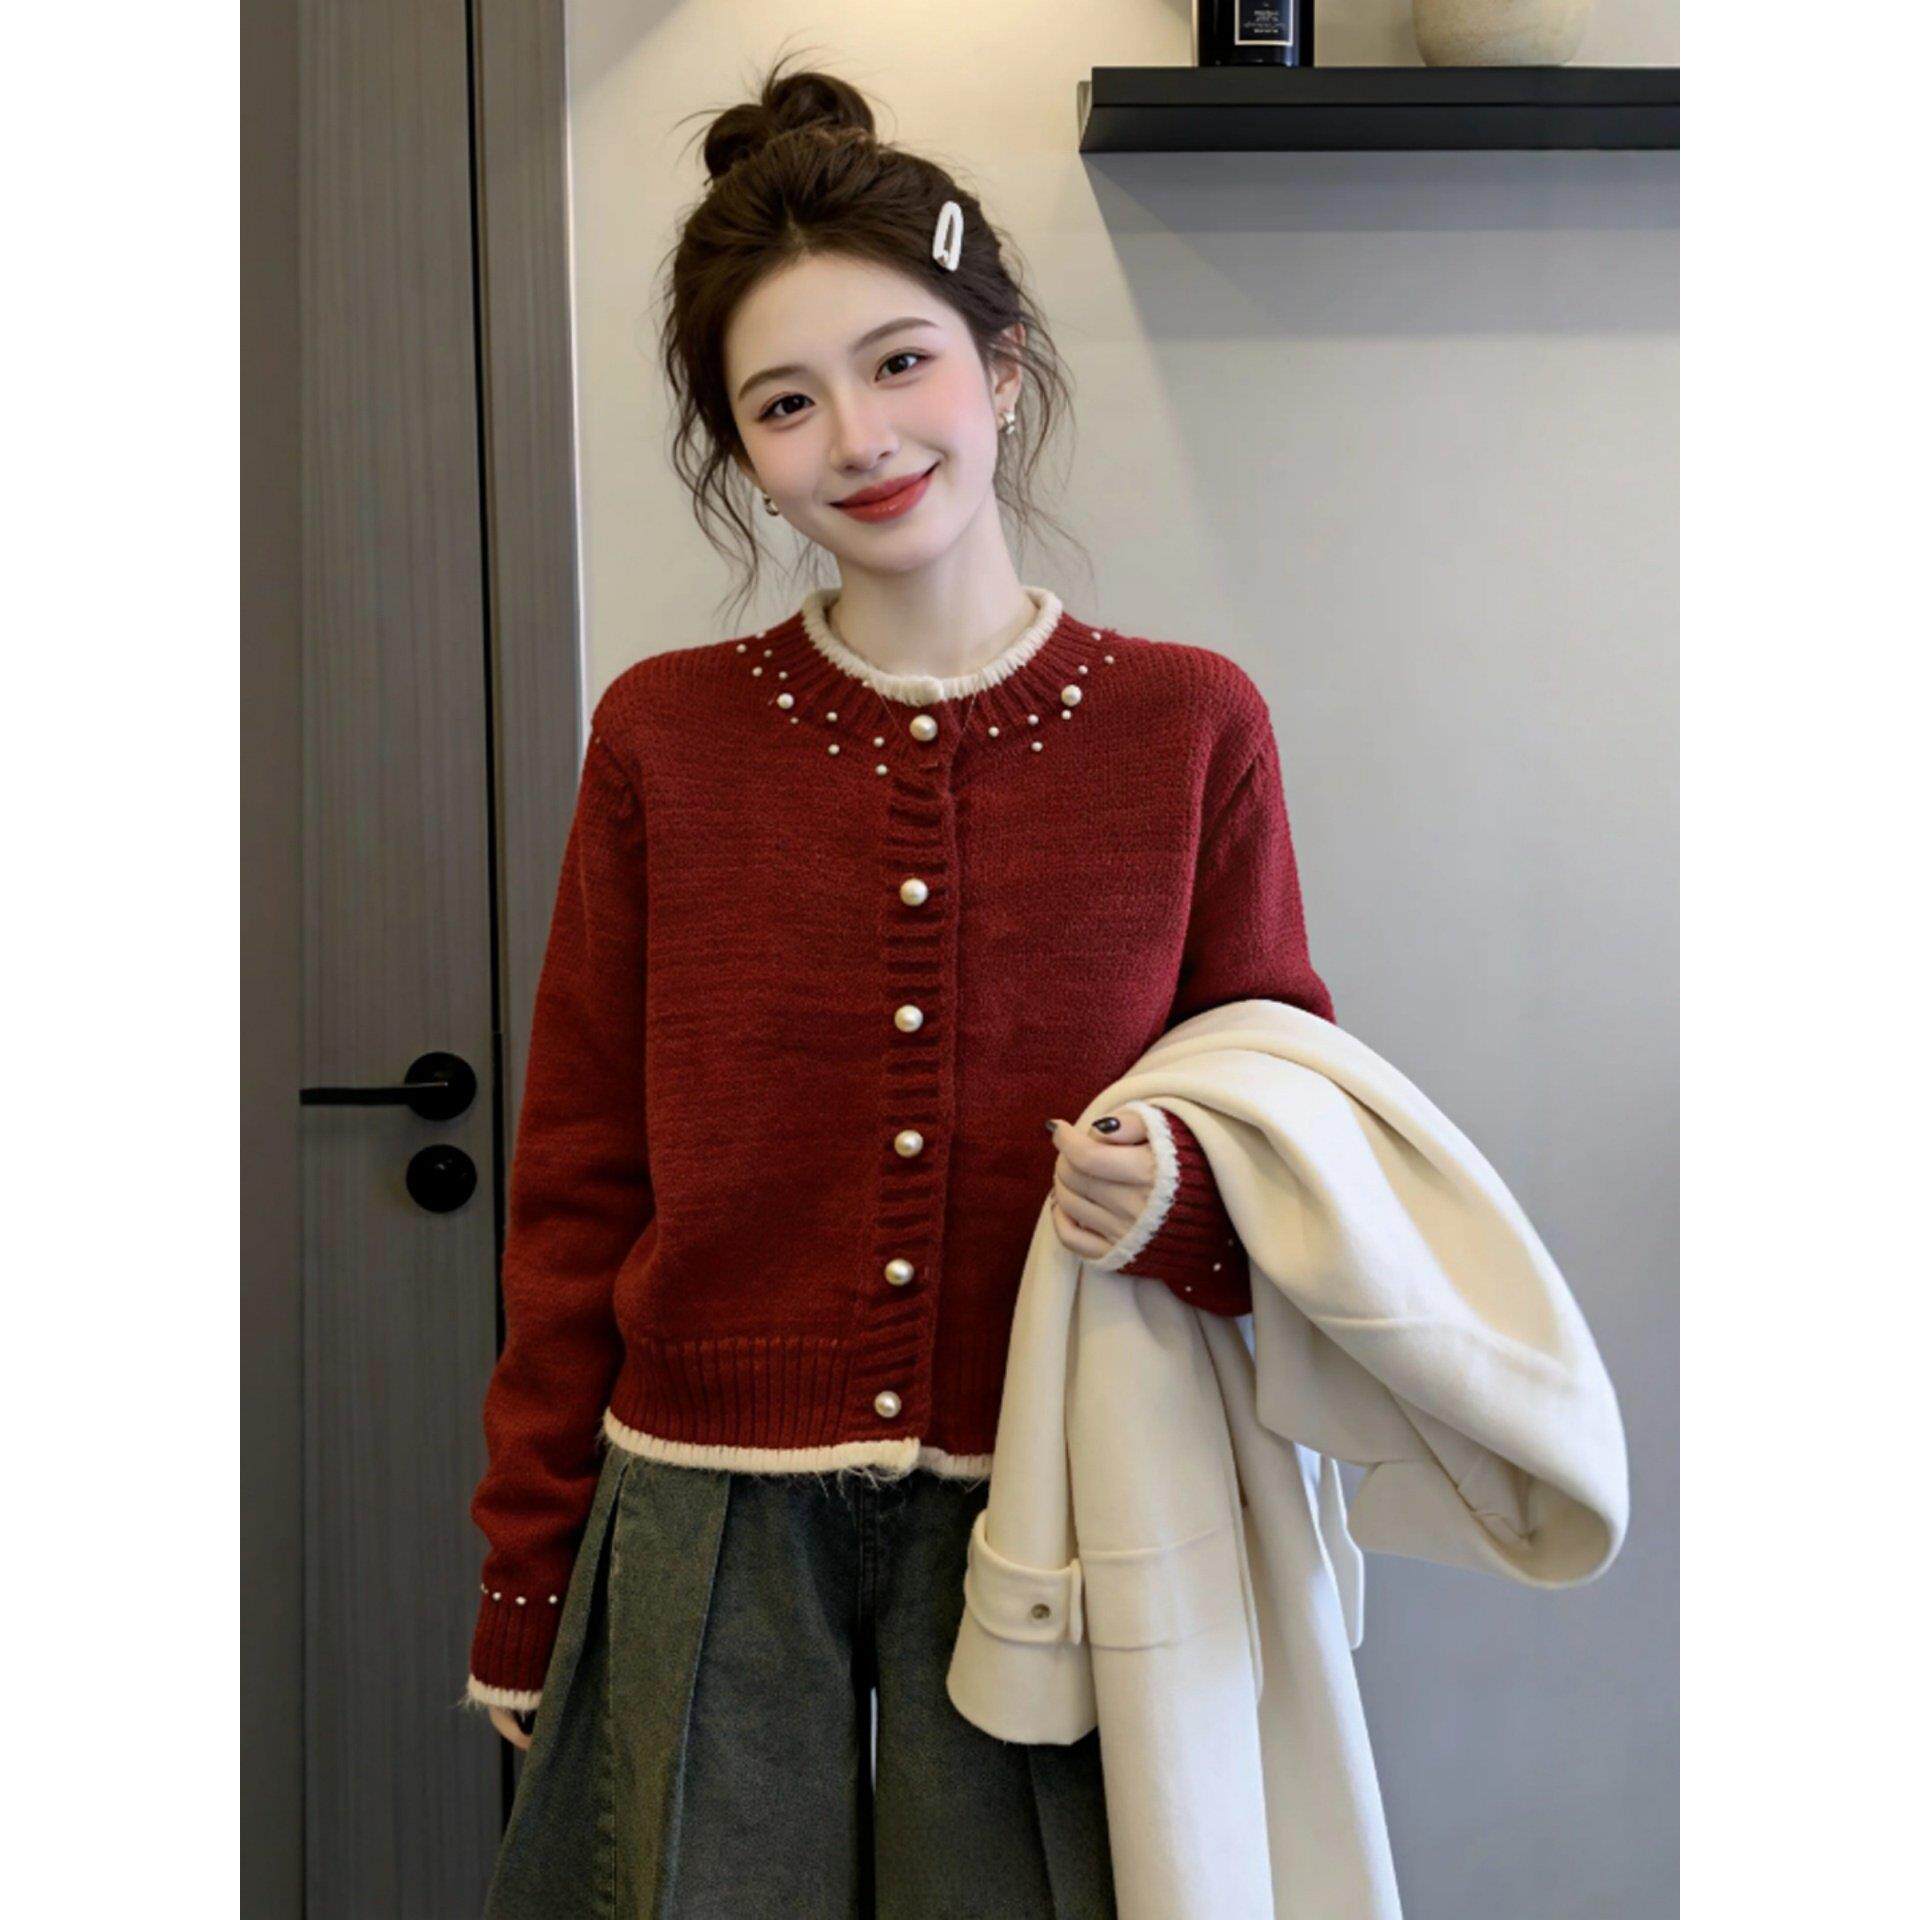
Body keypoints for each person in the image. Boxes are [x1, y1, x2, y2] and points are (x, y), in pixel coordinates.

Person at [462, 53, 1336, 1919]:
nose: (856, 436)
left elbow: (1300, 1131)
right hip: (704, 1507)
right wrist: (529, 1574)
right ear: (740, 454)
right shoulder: (665, 737)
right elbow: (578, 1179)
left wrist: (1184, 1206)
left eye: (900, 362)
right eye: (784, 402)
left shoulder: (1188, 726)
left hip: (1057, 1504)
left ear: (1000, 368)